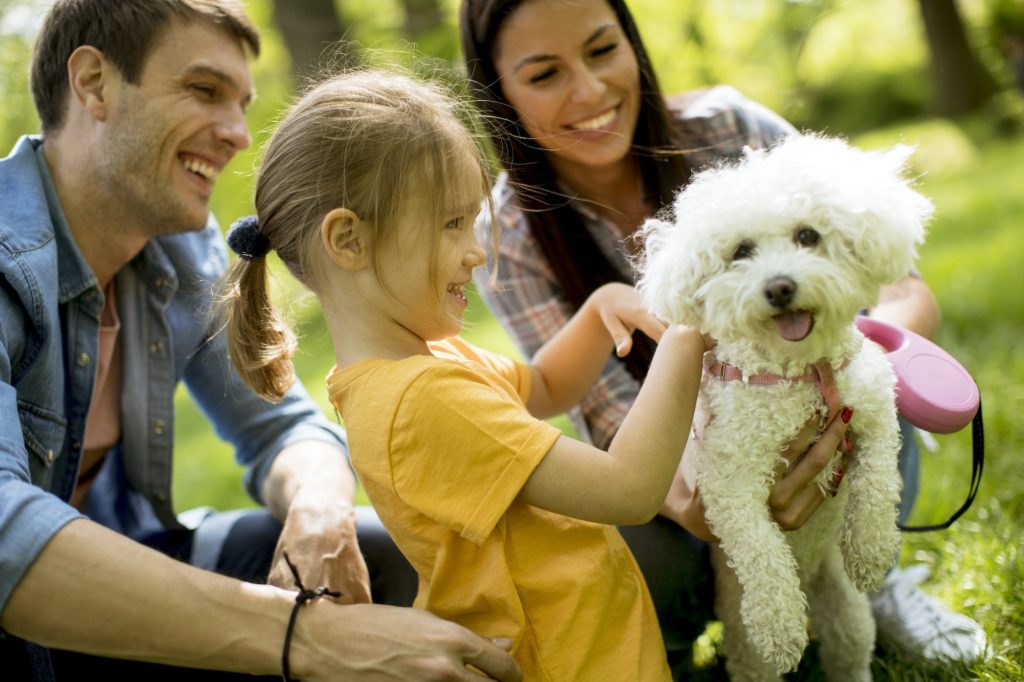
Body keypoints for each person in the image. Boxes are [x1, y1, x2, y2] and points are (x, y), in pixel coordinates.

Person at [218, 67, 849, 680]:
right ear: (349, 240)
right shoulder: (421, 400)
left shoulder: (416, 367)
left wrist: (600, 306)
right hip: (566, 660)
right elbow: (628, 489)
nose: (477, 249)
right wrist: (687, 334)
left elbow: (543, 388)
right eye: (450, 225)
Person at [459, 0, 986, 674]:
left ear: (632, 43)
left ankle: (873, 585)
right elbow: (606, 416)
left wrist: (838, 373)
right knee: (624, 550)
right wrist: (708, 505)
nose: (589, 92)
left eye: (600, 51)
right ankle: (696, 621)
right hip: (677, 479)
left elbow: (902, 291)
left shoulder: (729, 124)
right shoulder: (510, 231)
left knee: (874, 379)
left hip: (832, 425)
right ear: (498, 93)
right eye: (544, 74)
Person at [0, 2, 520, 681]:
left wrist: (319, 514)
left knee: (414, 555)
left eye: (243, 103)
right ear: (95, 82)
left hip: (132, 576)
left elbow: (281, 428)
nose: (239, 133)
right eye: (204, 91)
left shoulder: (177, 249)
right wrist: (305, 638)